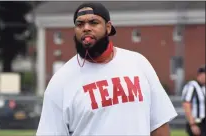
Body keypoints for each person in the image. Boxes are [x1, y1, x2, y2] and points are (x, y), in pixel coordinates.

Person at [36, 2, 177, 136]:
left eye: (93, 22)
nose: (86, 28)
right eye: (80, 24)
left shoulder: (138, 63)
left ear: (108, 28)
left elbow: (159, 125)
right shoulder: (61, 81)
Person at [182, 65, 205, 136]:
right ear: (201, 74)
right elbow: (186, 104)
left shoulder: (203, 88)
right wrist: (192, 124)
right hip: (197, 122)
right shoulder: (192, 85)